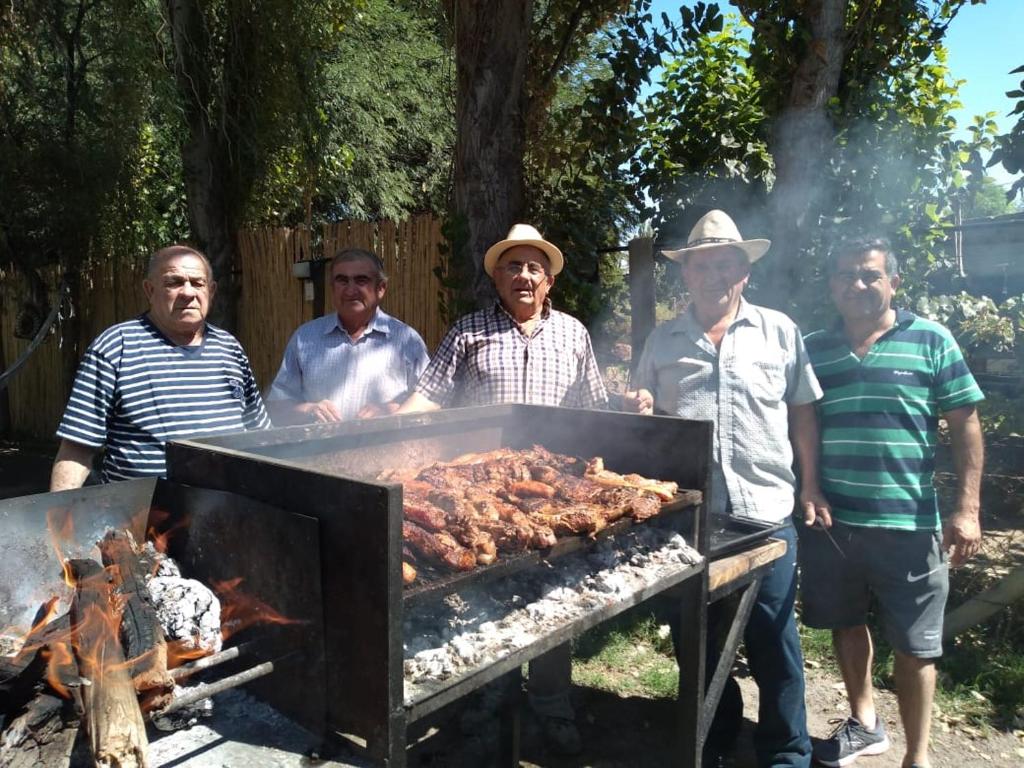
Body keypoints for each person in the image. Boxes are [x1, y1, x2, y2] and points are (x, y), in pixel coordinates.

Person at [624, 209, 828, 768]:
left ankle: (787, 754)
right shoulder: (663, 341)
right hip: (690, 520)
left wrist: (812, 485)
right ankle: (712, 740)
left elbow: (803, 412)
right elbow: (644, 415)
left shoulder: (780, 330)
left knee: (775, 643)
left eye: (726, 265)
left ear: (745, 272)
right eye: (702, 265)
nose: (714, 275)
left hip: (766, 512)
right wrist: (641, 407)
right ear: (685, 274)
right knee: (698, 641)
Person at [399, 223, 607, 754]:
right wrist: (384, 437)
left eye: (534, 266)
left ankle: (552, 703)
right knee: (485, 601)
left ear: (549, 281)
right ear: (495, 277)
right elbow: (426, 399)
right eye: (512, 265)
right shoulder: (468, 331)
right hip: (482, 487)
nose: (523, 275)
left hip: (552, 486)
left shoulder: (574, 334)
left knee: (555, 598)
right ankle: (486, 701)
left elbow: (595, 409)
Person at [801, 235, 984, 768]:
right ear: (832, 284)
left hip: (910, 522)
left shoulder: (932, 340)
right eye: (845, 275)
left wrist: (967, 509)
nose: (857, 284)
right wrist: (808, 486)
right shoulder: (815, 347)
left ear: (893, 282)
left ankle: (918, 756)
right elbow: (804, 422)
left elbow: (965, 425)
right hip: (834, 521)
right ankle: (864, 723)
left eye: (870, 274)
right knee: (845, 621)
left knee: (916, 644)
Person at [51, 245, 269, 490]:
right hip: (144, 521)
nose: (188, 292)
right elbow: (76, 450)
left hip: (226, 513)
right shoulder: (116, 347)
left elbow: (259, 437)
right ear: (149, 290)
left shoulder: (229, 348)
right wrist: (60, 520)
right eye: (174, 282)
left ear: (212, 291)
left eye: (198, 283)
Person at [266, 248, 428, 424]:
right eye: (342, 280)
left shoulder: (407, 340)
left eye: (361, 280)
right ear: (332, 288)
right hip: (319, 449)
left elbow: (431, 402)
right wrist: (309, 409)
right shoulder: (305, 338)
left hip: (386, 448)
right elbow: (277, 405)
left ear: (381, 288)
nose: (351, 290)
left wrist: (392, 409)